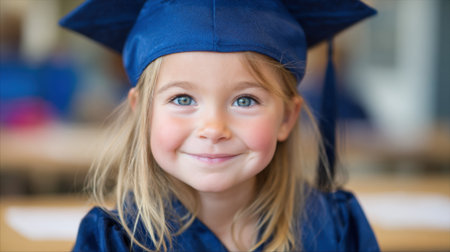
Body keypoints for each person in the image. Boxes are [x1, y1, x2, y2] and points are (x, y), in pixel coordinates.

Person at [60, 0, 379, 251]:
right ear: (141, 112)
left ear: (286, 118)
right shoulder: (113, 242)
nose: (213, 128)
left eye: (245, 101)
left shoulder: (335, 230)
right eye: (183, 99)